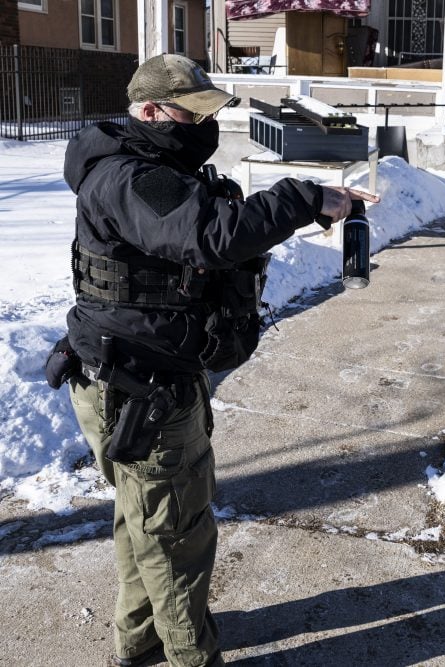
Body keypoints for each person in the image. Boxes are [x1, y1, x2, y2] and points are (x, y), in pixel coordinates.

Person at [44, 53, 378, 667]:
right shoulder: (129, 176)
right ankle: (191, 656)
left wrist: (297, 215)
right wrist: (304, 198)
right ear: (148, 111)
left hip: (141, 373)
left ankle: (140, 641)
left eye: (208, 112)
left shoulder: (150, 166)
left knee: (145, 522)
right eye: (189, 114)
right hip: (140, 386)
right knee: (176, 538)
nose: (204, 126)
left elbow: (209, 234)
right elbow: (210, 235)